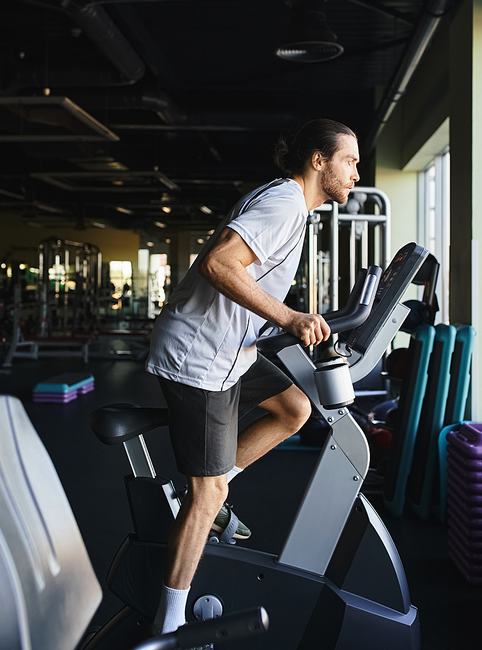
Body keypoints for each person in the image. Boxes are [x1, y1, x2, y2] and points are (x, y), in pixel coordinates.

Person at [144, 118, 360, 641]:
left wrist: (290, 318)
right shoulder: (285, 203)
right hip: (201, 359)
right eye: (349, 161)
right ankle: (169, 621)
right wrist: (289, 318)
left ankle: (206, 485)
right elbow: (220, 264)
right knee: (208, 495)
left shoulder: (292, 207)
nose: (356, 172)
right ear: (318, 161)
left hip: (233, 351)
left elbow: (247, 277)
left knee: (294, 409)